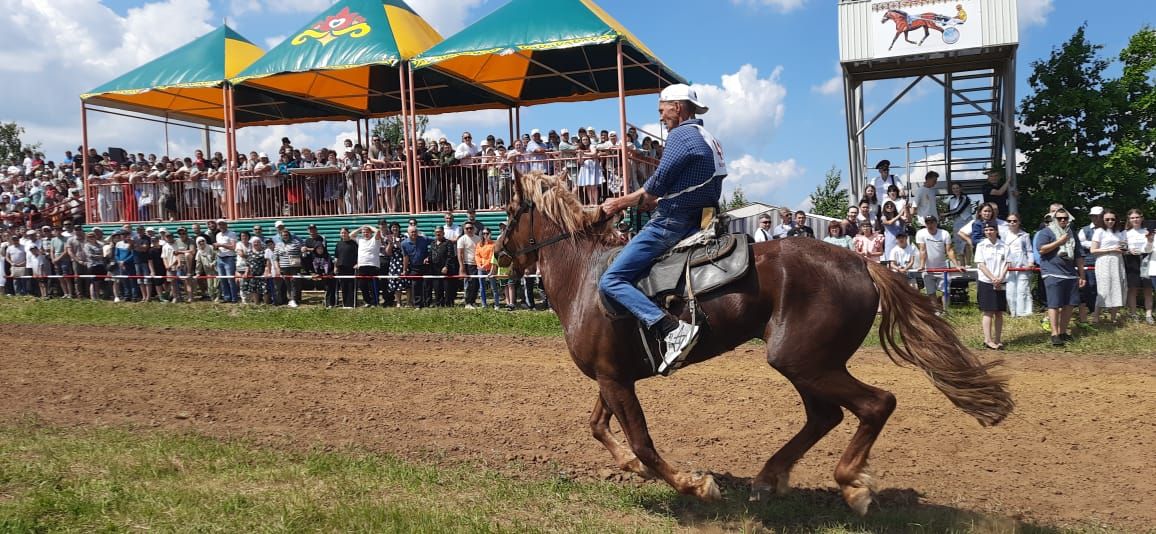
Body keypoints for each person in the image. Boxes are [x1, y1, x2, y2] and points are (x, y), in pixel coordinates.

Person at [598, 83, 725, 376]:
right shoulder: (706, 136)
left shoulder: (681, 135)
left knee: (612, 279)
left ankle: (670, 328)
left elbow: (653, 187)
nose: (661, 117)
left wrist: (616, 204)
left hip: (673, 221)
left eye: (662, 110)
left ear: (677, 107)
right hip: (700, 217)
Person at [1033, 208, 1086, 346]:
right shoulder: (1046, 232)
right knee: (1054, 304)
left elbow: (1079, 256)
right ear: (1054, 219)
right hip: (1052, 272)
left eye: (1065, 218)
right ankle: (1054, 334)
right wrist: (1059, 242)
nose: (1063, 220)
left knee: (1070, 304)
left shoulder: (1072, 233)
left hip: (1070, 273)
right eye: (1060, 218)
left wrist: (1082, 275)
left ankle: (1063, 332)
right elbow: (1041, 249)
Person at [974, 222, 1009, 350]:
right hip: (986, 281)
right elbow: (981, 264)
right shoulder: (981, 245)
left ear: (996, 231)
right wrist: (992, 278)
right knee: (988, 311)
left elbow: (1007, 263)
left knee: (999, 312)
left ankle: (998, 339)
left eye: (991, 229)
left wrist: (1000, 278)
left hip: (1001, 281)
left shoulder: (1004, 246)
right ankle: (988, 340)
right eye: (986, 229)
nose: (989, 232)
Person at [1089, 209, 1126, 324]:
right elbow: (1093, 250)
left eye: (1112, 219)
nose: (1110, 221)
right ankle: (1096, 316)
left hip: (1117, 261)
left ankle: (1113, 317)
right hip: (1104, 261)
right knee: (1103, 288)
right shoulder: (1099, 231)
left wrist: (1124, 249)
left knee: (1117, 287)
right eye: (1107, 219)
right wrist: (1111, 249)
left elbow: (1122, 246)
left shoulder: (1118, 232)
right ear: (1102, 220)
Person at [916, 215, 958, 305]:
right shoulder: (921, 233)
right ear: (925, 224)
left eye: (932, 222)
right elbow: (922, 250)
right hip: (928, 269)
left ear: (936, 223)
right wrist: (922, 265)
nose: (930, 225)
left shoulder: (944, 233)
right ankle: (936, 312)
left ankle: (945, 311)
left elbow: (949, 250)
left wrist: (956, 265)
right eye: (927, 222)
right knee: (931, 292)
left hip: (942, 268)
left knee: (945, 291)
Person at [1123, 209, 1153, 324]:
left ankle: (1148, 315)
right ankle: (1133, 314)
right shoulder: (1125, 233)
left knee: (1148, 288)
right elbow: (1122, 248)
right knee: (1133, 289)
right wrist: (1129, 250)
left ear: (1141, 218)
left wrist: (1149, 241)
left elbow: (1150, 248)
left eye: (1137, 217)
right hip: (1131, 261)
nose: (1135, 220)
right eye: (1132, 218)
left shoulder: (1147, 232)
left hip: (1146, 260)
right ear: (1129, 219)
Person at [1003, 213, 1034, 317]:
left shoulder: (1025, 235)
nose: (1012, 223)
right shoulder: (1004, 235)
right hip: (1009, 265)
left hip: (1022, 264)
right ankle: (1013, 312)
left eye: (1014, 221)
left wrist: (1030, 263)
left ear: (1019, 222)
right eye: (1009, 221)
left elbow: (1029, 251)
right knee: (1010, 289)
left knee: (1023, 289)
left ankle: (1024, 312)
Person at [354, 225, 383, 307]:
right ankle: (367, 302)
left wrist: (368, 226)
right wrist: (360, 228)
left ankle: (375, 302)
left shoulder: (375, 239)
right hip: (362, 265)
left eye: (367, 232)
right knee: (363, 285)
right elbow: (351, 235)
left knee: (373, 285)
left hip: (373, 265)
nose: (365, 233)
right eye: (364, 232)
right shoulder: (360, 240)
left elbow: (377, 231)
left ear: (370, 232)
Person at [457, 222, 482, 308]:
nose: (469, 230)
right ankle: (468, 302)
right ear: (464, 230)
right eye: (467, 228)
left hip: (477, 264)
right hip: (467, 264)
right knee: (469, 284)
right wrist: (462, 267)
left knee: (476, 284)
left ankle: (473, 301)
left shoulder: (478, 239)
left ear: (474, 229)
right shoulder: (462, 239)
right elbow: (460, 254)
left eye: (471, 228)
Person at [334, 228, 358, 308]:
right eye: (342, 233)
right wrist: (335, 266)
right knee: (343, 286)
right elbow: (336, 257)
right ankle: (345, 304)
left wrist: (357, 263)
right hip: (341, 267)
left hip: (351, 267)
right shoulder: (338, 244)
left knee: (351, 286)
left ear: (348, 233)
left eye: (345, 233)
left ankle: (351, 304)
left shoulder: (353, 244)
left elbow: (358, 255)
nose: (343, 234)